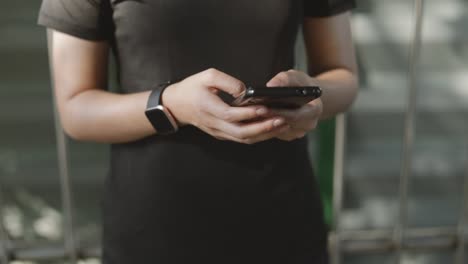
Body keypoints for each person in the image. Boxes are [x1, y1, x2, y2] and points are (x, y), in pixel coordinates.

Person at [38, 0, 358, 263]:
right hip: (153, 230)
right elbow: (75, 109)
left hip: (284, 224)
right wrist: (172, 104)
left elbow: (343, 77)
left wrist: (312, 96)